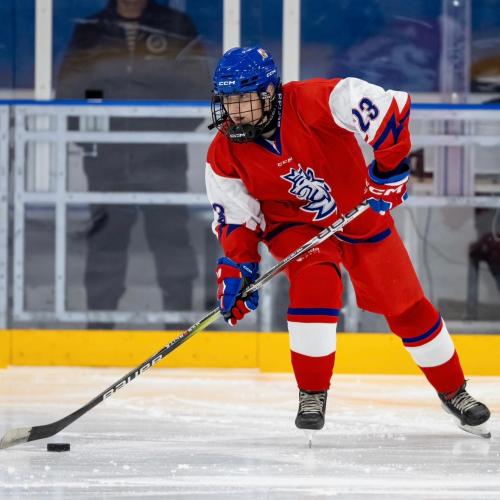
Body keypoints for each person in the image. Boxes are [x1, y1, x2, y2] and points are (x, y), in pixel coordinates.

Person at [205, 46, 491, 438]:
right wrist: (239, 264)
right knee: (316, 284)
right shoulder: (223, 151)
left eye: (243, 99)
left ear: (269, 93)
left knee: (405, 305)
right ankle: (312, 393)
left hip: (358, 210)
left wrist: (390, 168)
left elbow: (386, 106)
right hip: (294, 227)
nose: (234, 111)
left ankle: (454, 390)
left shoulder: (312, 101)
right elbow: (235, 216)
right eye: (227, 100)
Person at [56, 0, 210, 326]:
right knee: (105, 244)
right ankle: (99, 330)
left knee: (171, 242)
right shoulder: (91, 29)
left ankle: (181, 329)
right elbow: (69, 90)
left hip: (164, 159)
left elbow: (198, 88)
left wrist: (163, 135)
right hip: (107, 161)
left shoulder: (174, 26)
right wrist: (93, 140)